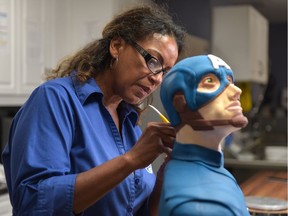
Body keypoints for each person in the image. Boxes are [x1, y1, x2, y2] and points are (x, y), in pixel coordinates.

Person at [2, 3, 185, 215]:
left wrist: (167, 170)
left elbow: (138, 209)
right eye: (153, 61)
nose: (157, 78)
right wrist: (131, 160)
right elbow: (33, 202)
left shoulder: (129, 121)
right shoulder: (56, 100)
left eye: (165, 72)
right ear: (116, 46)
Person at [159, 54, 250, 216]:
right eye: (210, 81)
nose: (236, 91)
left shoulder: (215, 171)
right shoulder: (202, 206)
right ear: (180, 102)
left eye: (229, 81)